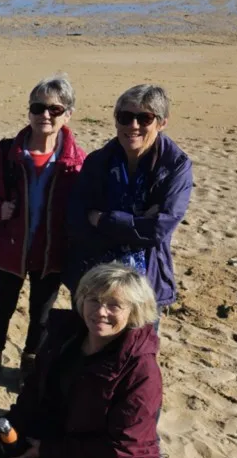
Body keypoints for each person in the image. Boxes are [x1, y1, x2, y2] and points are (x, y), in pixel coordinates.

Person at [0, 75, 86, 385]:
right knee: (1, 308)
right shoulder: (4, 153)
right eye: (38, 107)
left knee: (42, 314)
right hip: (8, 249)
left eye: (55, 109)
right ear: (29, 112)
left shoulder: (76, 162)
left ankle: (31, 360)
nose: (45, 115)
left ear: (68, 114)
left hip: (51, 255)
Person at [6, 263, 162, 458]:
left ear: (134, 311)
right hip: (65, 434)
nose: (101, 312)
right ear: (81, 300)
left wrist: (46, 450)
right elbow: (35, 389)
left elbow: (121, 446)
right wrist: (15, 425)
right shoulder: (66, 335)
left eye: (114, 305)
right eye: (94, 300)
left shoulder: (140, 367)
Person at [66, 84, 193, 322]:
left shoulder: (175, 165)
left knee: (138, 343)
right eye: (125, 117)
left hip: (144, 283)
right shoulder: (98, 161)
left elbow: (158, 228)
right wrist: (137, 221)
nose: (133, 126)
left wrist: (103, 219)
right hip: (94, 276)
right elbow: (77, 218)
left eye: (144, 118)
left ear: (162, 122)